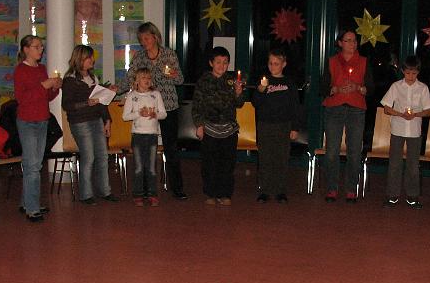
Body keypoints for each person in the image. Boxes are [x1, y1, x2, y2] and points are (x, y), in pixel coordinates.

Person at [117, 22, 187, 199]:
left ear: (155, 36)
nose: (144, 41)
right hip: (146, 110)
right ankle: (147, 190)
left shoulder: (169, 54)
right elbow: (130, 78)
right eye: (141, 39)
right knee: (146, 149)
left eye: (146, 37)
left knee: (171, 148)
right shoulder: (139, 57)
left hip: (168, 106)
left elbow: (180, 79)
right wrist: (116, 90)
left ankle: (177, 188)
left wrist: (172, 74)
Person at [320, 29, 374, 203]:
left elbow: (371, 89)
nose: (353, 43)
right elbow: (322, 88)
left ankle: (351, 189)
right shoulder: (331, 61)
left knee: (354, 152)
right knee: (332, 151)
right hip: (334, 109)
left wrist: (358, 88)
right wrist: (334, 89)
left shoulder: (364, 62)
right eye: (349, 40)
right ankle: (332, 188)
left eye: (355, 41)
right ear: (340, 43)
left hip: (356, 110)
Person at [61, 45, 118, 205]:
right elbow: (67, 105)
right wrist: (86, 103)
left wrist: (107, 120)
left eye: (91, 57)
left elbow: (101, 103)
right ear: (79, 59)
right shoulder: (70, 80)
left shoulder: (94, 78)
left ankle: (105, 191)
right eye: (88, 58)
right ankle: (86, 194)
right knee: (88, 156)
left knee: (102, 155)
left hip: (96, 120)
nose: (92, 60)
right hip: (80, 122)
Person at [13, 35, 61, 222]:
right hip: (27, 121)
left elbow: (45, 97)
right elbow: (22, 99)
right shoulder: (20, 70)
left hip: (42, 120)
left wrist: (55, 87)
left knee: (35, 163)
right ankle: (32, 208)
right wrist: (44, 86)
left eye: (41, 46)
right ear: (26, 49)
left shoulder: (41, 68)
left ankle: (27, 201)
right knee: (32, 166)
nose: (40, 50)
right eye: (36, 47)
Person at [191, 46, 245, 206]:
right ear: (211, 63)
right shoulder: (203, 81)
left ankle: (225, 193)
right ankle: (210, 193)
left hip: (228, 129)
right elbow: (197, 106)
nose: (222, 66)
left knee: (227, 164)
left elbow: (239, 104)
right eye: (218, 62)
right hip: (209, 128)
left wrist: (238, 93)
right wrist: (199, 125)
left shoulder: (231, 81)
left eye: (225, 62)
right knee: (209, 163)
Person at [380, 56, 430, 209]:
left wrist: (415, 115)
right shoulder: (396, 86)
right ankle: (392, 195)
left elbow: (428, 111)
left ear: (418, 73)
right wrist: (400, 114)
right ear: (403, 71)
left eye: (414, 74)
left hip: (415, 131)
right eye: (408, 73)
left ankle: (412, 196)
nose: (411, 77)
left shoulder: (423, 88)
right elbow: (386, 107)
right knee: (395, 163)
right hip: (398, 129)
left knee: (412, 165)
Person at [251, 48, 300, 204]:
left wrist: (295, 127)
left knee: (281, 158)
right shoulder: (263, 82)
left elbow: (295, 106)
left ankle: (280, 190)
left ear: (284, 64)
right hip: (265, 125)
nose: (273, 66)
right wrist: (261, 90)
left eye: (277, 64)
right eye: (271, 63)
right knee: (265, 158)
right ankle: (264, 190)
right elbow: (255, 103)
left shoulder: (289, 83)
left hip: (284, 125)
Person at [122, 68, 166, 207]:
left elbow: (163, 114)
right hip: (138, 135)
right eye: (143, 78)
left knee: (151, 166)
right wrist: (138, 113)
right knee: (139, 166)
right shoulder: (132, 96)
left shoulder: (155, 94)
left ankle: (152, 194)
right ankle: (138, 194)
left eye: (148, 77)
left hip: (152, 135)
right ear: (136, 81)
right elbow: (125, 116)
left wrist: (155, 115)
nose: (146, 80)